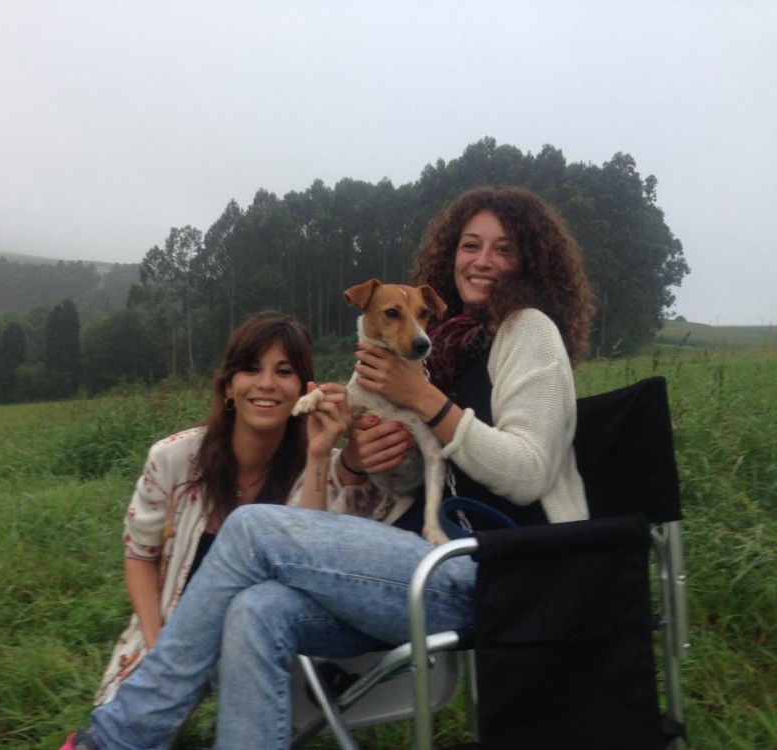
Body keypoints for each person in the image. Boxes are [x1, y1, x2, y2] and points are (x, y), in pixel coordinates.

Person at [62, 186, 595, 749]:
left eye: (503, 248)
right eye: (470, 245)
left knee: (251, 528)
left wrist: (425, 400)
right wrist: (365, 457)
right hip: (427, 562)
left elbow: (530, 474)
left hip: (505, 575)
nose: (482, 260)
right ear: (450, 254)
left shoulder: (528, 331)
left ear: (530, 260)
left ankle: (120, 737)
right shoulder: (446, 345)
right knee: (254, 609)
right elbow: (430, 472)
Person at [91, 311, 351, 705]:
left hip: (264, 645)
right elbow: (140, 556)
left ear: (304, 389)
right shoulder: (173, 459)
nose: (266, 384)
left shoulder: (319, 466)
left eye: (284, 371)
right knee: (125, 718)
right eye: (251, 369)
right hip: (172, 630)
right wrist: (160, 648)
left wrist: (318, 456)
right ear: (229, 386)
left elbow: (307, 560)